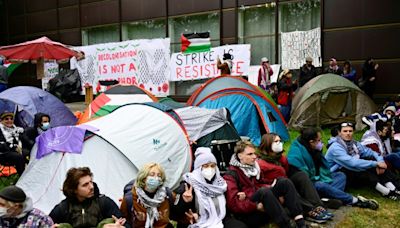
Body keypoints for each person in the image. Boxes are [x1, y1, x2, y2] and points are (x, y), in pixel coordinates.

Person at [288, 127, 379, 209]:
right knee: (320, 185)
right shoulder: (296, 154)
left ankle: (326, 199)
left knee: (340, 176)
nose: (321, 143)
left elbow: (322, 169)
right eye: (319, 140)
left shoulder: (311, 148)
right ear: (311, 141)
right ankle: (354, 200)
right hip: (306, 186)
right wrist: (376, 163)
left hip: (318, 179)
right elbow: (304, 179)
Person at [224, 140, 306, 228]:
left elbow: (260, 183)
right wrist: (255, 206)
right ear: (240, 156)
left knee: (284, 182)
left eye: (254, 153)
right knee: (264, 192)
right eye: (250, 154)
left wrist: (273, 186)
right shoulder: (231, 175)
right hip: (249, 213)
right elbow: (233, 205)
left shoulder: (254, 168)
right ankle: (286, 225)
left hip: (261, 199)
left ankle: (300, 220)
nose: (254, 157)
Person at [258, 133, 332, 223]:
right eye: (276, 141)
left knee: (301, 176)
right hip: (274, 189)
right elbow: (258, 183)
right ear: (268, 144)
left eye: (280, 141)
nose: (279, 143)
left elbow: (287, 172)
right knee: (287, 185)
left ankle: (318, 205)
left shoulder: (282, 158)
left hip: (286, 183)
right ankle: (310, 210)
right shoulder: (261, 164)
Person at [325, 122, 400, 201]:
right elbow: (352, 163)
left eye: (350, 131)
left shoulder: (354, 143)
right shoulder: (335, 147)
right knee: (364, 169)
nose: (348, 133)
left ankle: (394, 188)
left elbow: (370, 152)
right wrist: (375, 164)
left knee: (374, 164)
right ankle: (387, 192)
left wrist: (380, 161)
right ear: (339, 133)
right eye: (345, 131)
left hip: (349, 170)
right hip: (337, 176)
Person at [174, 147, 246, 228]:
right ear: (198, 168)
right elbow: (176, 213)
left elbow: (229, 208)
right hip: (197, 221)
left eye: (213, 166)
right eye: (206, 166)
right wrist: (184, 202)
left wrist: (237, 198)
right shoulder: (188, 185)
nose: (210, 169)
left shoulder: (221, 184)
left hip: (220, 219)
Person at [49, 167, 129, 228]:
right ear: (74, 190)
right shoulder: (63, 208)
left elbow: (125, 223)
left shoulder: (104, 202)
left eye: (91, 182)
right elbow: (46, 223)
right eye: (85, 185)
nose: (91, 187)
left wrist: (119, 226)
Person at [120, 163, 174, 228]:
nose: (156, 178)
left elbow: (177, 214)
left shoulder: (166, 195)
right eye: (152, 175)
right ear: (144, 178)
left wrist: (184, 201)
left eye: (159, 175)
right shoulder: (130, 198)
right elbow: (123, 220)